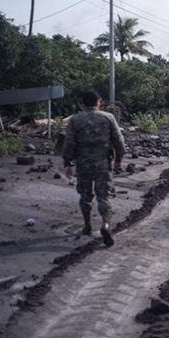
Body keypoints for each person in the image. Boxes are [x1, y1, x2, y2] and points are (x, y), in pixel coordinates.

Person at [63, 90, 126, 247]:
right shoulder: (108, 117)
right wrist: (118, 160)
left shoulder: (75, 120)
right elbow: (119, 141)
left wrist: (67, 163)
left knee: (85, 196)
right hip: (102, 162)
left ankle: (87, 226)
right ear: (99, 101)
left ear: (82, 103)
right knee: (104, 196)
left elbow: (69, 143)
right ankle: (105, 225)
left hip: (83, 163)